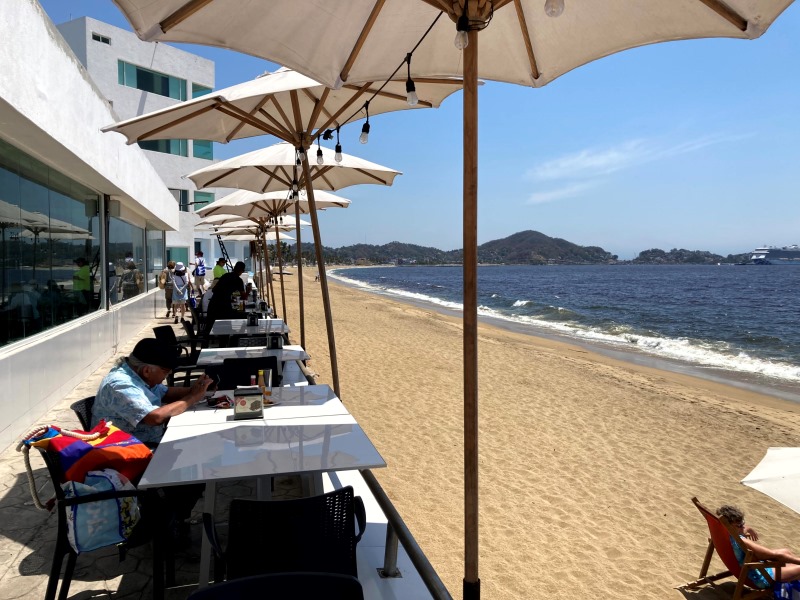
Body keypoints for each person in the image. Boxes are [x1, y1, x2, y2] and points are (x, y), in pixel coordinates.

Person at [92, 338, 212, 446]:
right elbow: (155, 417)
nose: (167, 376)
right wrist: (192, 397)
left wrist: (198, 389)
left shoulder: (139, 375)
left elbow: (165, 393)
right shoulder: (121, 384)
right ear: (147, 371)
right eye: (166, 372)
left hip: (148, 441)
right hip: (127, 450)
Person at [717, 504, 800, 587]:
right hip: (759, 577)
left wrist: (747, 528)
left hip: (746, 570)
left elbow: (740, 531)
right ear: (730, 526)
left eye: (743, 523)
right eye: (739, 525)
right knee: (789, 559)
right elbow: (774, 555)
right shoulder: (742, 541)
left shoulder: (724, 534)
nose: (742, 527)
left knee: (786, 551)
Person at [206, 260, 246, 332]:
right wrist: (248, 290)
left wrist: (226, 295)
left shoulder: (225, 275)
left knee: (211, 329)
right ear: (242, 271)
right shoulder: (238, 280)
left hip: (213, 305)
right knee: (243, 317)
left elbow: (214, 290)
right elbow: (244, 297)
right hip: (224, 308)